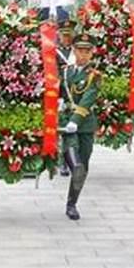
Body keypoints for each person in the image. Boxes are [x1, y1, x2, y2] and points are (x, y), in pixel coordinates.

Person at [60, 33, 101, 221]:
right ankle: (71, 204)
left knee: (82, 167)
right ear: (74, 51)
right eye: (80, 50)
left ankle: (72, 202)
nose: (83, 55)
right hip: (66, 123)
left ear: (92, 53)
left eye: (87, 51)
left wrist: (75, 121)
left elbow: (87, 99)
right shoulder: (65, 71)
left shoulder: (94, 76)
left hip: (84, 125)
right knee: (76, 165)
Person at [56, 19, 76, 177]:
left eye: (69, 35)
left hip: (75, 94)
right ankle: (63, 162)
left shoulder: (78, 52)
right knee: (63, 128)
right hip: (60, 94)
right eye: (64, 35)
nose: (67, 38)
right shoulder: (54, 52)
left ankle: (73, 159)